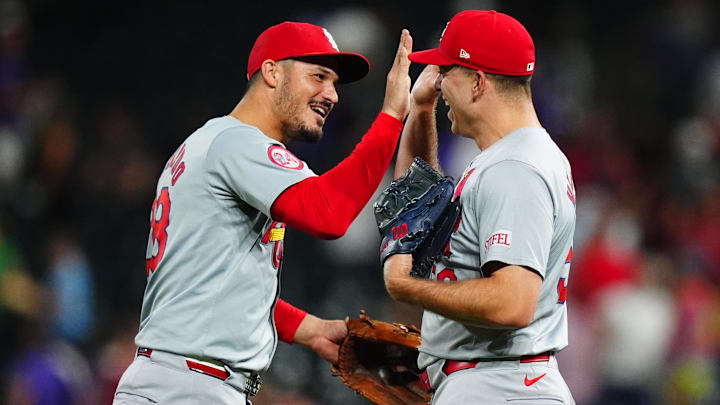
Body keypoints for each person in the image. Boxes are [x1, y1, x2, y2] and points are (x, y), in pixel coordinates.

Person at [114, 22, 412, 404]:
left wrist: (311, 329)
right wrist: (391, 117)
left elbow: (213, 287)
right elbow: (329, 214)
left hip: (180, 380)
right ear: (272, 72)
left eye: (335, 82)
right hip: (189, 386)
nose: (332, 94)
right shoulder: (238, 144)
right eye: (318, 76)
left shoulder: (213, 144)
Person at [382, 10, 576, 404]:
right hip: (498, 382)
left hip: (499, 385)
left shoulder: (515, 169)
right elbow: (419, 205)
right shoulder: (510, 156)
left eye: (445, 70)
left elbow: (512, 302)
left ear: (477, 81)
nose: (436, 81)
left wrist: (408, 287)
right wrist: (420, 112)